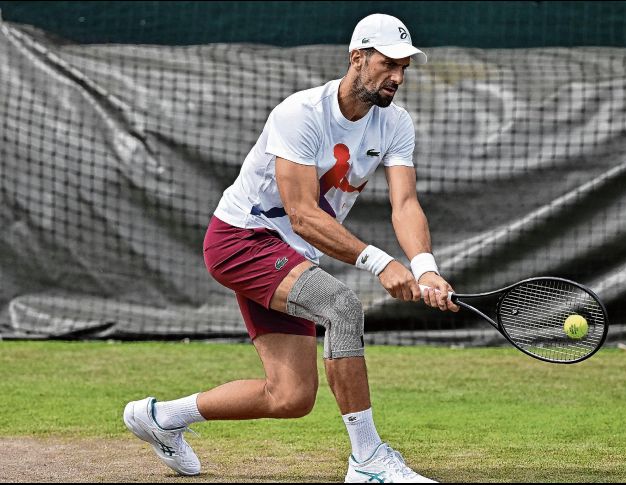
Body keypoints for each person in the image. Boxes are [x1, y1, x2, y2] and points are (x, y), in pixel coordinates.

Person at [123, 13, 458, 483]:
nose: (398, 77)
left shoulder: (396, 123)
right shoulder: (300, 113)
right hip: (242, 239)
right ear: (357, 58)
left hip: (293, 256)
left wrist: (425, 268)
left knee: (291, 396)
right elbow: (302, 213)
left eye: (404, 68)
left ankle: (160, 418)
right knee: (343, 307)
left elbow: (405, 205)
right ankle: (367, 461)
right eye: (388, 64)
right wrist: (380, 263)